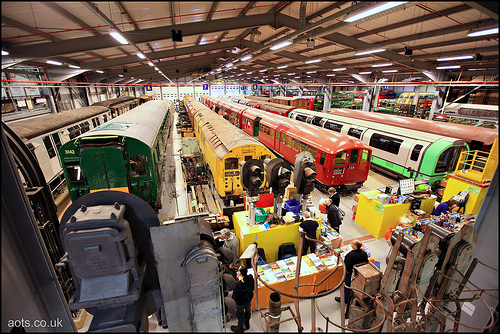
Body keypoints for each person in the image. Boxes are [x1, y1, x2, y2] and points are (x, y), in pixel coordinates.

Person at [335, 240, 369, 317]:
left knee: (347, 286)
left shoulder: (350, 255)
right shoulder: (364, 254)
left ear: (355, 247)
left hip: (351, 275)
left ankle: (346, 299)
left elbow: (346, 266)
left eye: (352, 244)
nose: (351, 244)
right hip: (361, 274)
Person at [231, 266, 255, 333]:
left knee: (240, 314)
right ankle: (247, 324)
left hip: (240, 303)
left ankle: (240, 327)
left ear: (240, 273)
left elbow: (235, 296)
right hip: (248, 300)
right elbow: (253, 288)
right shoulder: (250, 279)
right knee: (247, 312)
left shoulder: (238, 285)